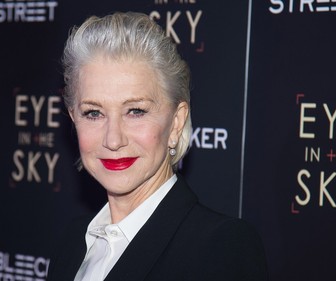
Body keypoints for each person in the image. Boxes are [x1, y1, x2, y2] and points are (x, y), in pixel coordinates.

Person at [47, 11, 268, 281]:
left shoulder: (222, 248)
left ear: (175, 123)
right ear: (73, 119)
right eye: (94, 113)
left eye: (136, 111)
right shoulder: (72, 242)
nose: (113, 140)